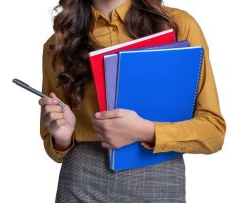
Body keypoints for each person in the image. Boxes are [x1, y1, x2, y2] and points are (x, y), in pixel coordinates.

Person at [38, 0, 226, 202]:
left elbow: (213, 132)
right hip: (81, 177)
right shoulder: (59, 43)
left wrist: (146, 130)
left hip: (157, 178)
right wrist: (62, 138)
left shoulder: (177, 25)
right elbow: (55, 147)